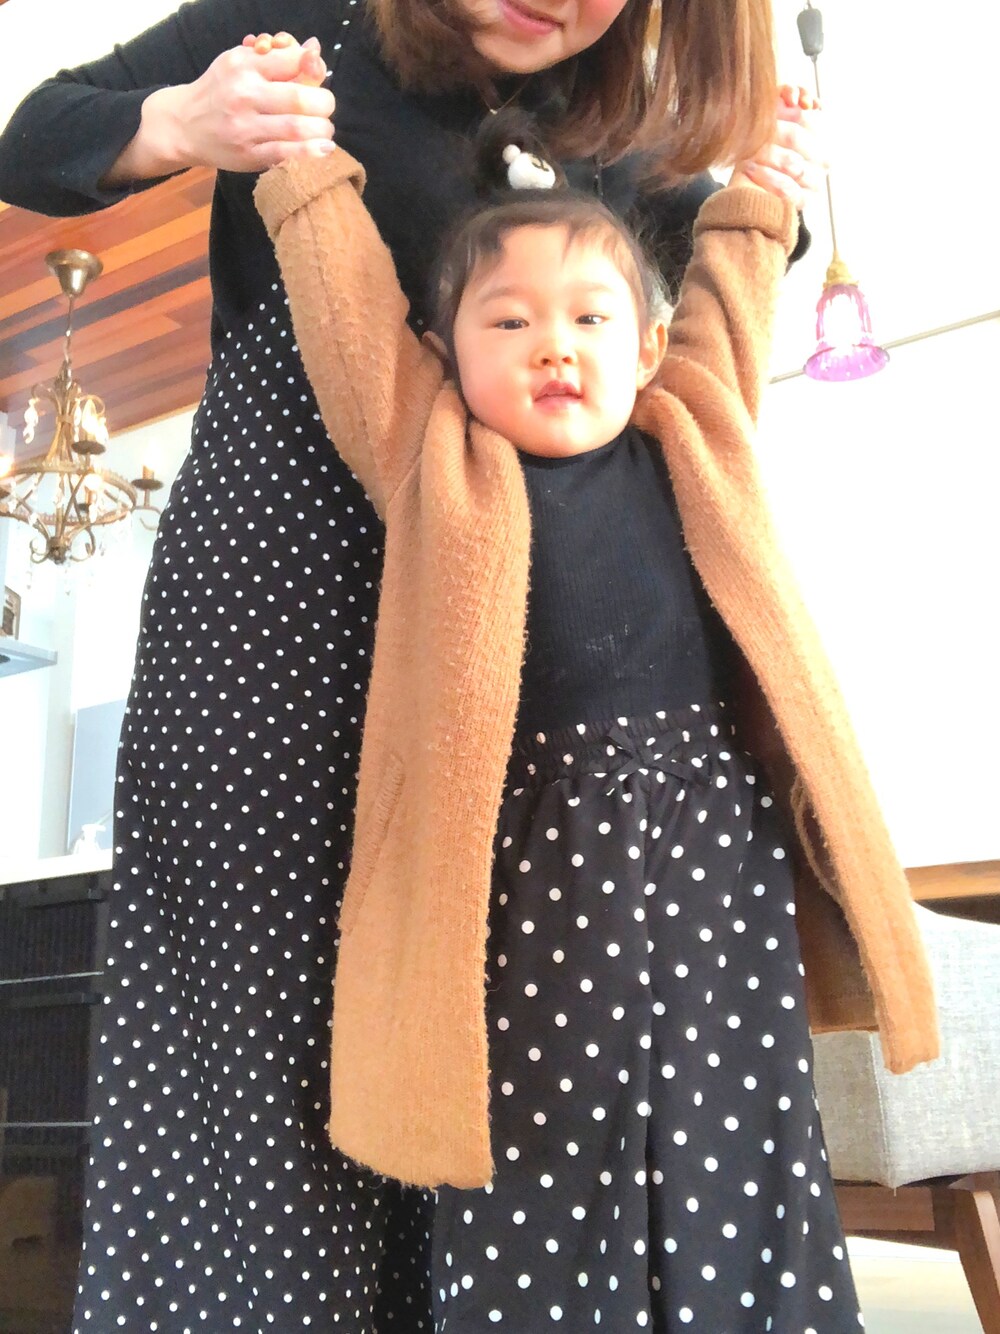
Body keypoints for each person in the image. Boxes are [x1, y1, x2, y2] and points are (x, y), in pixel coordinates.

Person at [0, 2, 838, 1330]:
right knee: (263, 1022)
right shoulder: (302, 22)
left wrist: (773, 202)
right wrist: (180, 121)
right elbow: (36, 137)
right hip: (276, 612)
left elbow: (695, 323)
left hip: (499, 659)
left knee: (460, 1026)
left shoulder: (622, 126)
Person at [254, 92, 937, 1330]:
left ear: (647, 345)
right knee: (538, 1122)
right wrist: (304, 173)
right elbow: (351, 324)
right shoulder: (430, 453)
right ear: (445, 349)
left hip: (711, 847)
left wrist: (763, 189)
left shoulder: (693, 425)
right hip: (523, 860)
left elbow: (731, 295)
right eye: (507, 320)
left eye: (588, 317)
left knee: (738, 1113)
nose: (552, 346)